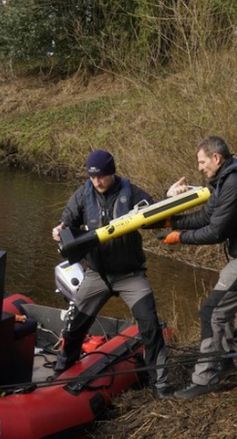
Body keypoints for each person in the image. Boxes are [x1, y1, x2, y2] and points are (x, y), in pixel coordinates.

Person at [161, 136, 237, 400]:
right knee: (219, 310)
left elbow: (216, 231)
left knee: (212, 311)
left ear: (216, 158)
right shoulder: (227, 178)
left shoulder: (236, 182)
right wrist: (175, 223)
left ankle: (206, 378)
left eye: (202, 162)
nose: (199, 168)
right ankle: (225, 367)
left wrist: (179, 238)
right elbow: (207, 216)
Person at [51, 149, 171, 398]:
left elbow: (158, 214)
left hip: (130, 274)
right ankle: (63, 370)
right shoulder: (83, 194)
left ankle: (159, 382)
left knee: (149, 324)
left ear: (112, 173)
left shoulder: (131, 192)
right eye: (93, 177)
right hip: (97, 274)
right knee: (74, 326)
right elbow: (68, 222)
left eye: (102, 177)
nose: (97, 182)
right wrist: (60, 229)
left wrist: (170, 197)